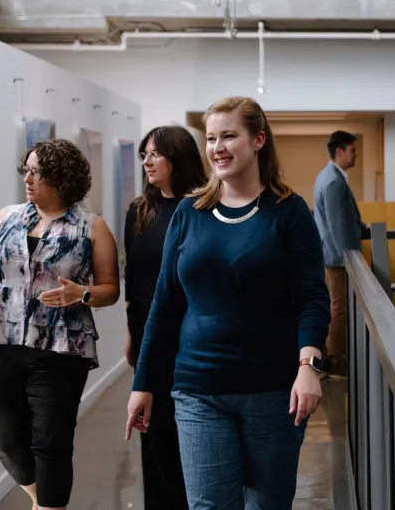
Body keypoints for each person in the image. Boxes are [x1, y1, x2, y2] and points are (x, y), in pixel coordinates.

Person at [126, 97, 331, 510]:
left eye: (229, 136)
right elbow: (165, 304)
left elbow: (311, 297)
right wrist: (143, 383)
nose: (217, 147)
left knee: (267, 504)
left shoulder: (289, 212)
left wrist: (308, 366)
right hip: (198, 388)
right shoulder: (189, 212)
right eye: (212, 138)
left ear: (258, 140)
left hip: (273, 391)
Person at [0, 139, 120, 510]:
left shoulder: (92, 227)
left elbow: (110, 289)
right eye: (26, 170)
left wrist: (81, 294)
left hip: (61, 348)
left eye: (37, 172)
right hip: (1, 341)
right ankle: (44, 500)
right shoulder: (6, 217)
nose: (27, 178)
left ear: (62, 179)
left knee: (51, 442)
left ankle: (50, 507)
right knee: (6, 443)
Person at [124, 125, 207, 510]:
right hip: (147, 334)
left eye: (155, 153)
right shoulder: (139, 212)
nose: (147, 161)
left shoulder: (206, 207)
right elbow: (134, 280)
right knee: (153, 435)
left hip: (192, 337)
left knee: (189, 438)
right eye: (144, 154)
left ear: (179, 156)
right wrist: (131, 334)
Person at [312, 130, 367, 377]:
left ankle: (329, 356)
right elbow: (337, 225)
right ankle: (335, 360)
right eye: (353, 150)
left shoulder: (327, 176)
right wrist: (351, 259)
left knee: (336, 307)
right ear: (340, 151)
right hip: (338, 257)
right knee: (339, 309)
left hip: (333, 254)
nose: (356, 155)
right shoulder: (333, 180)